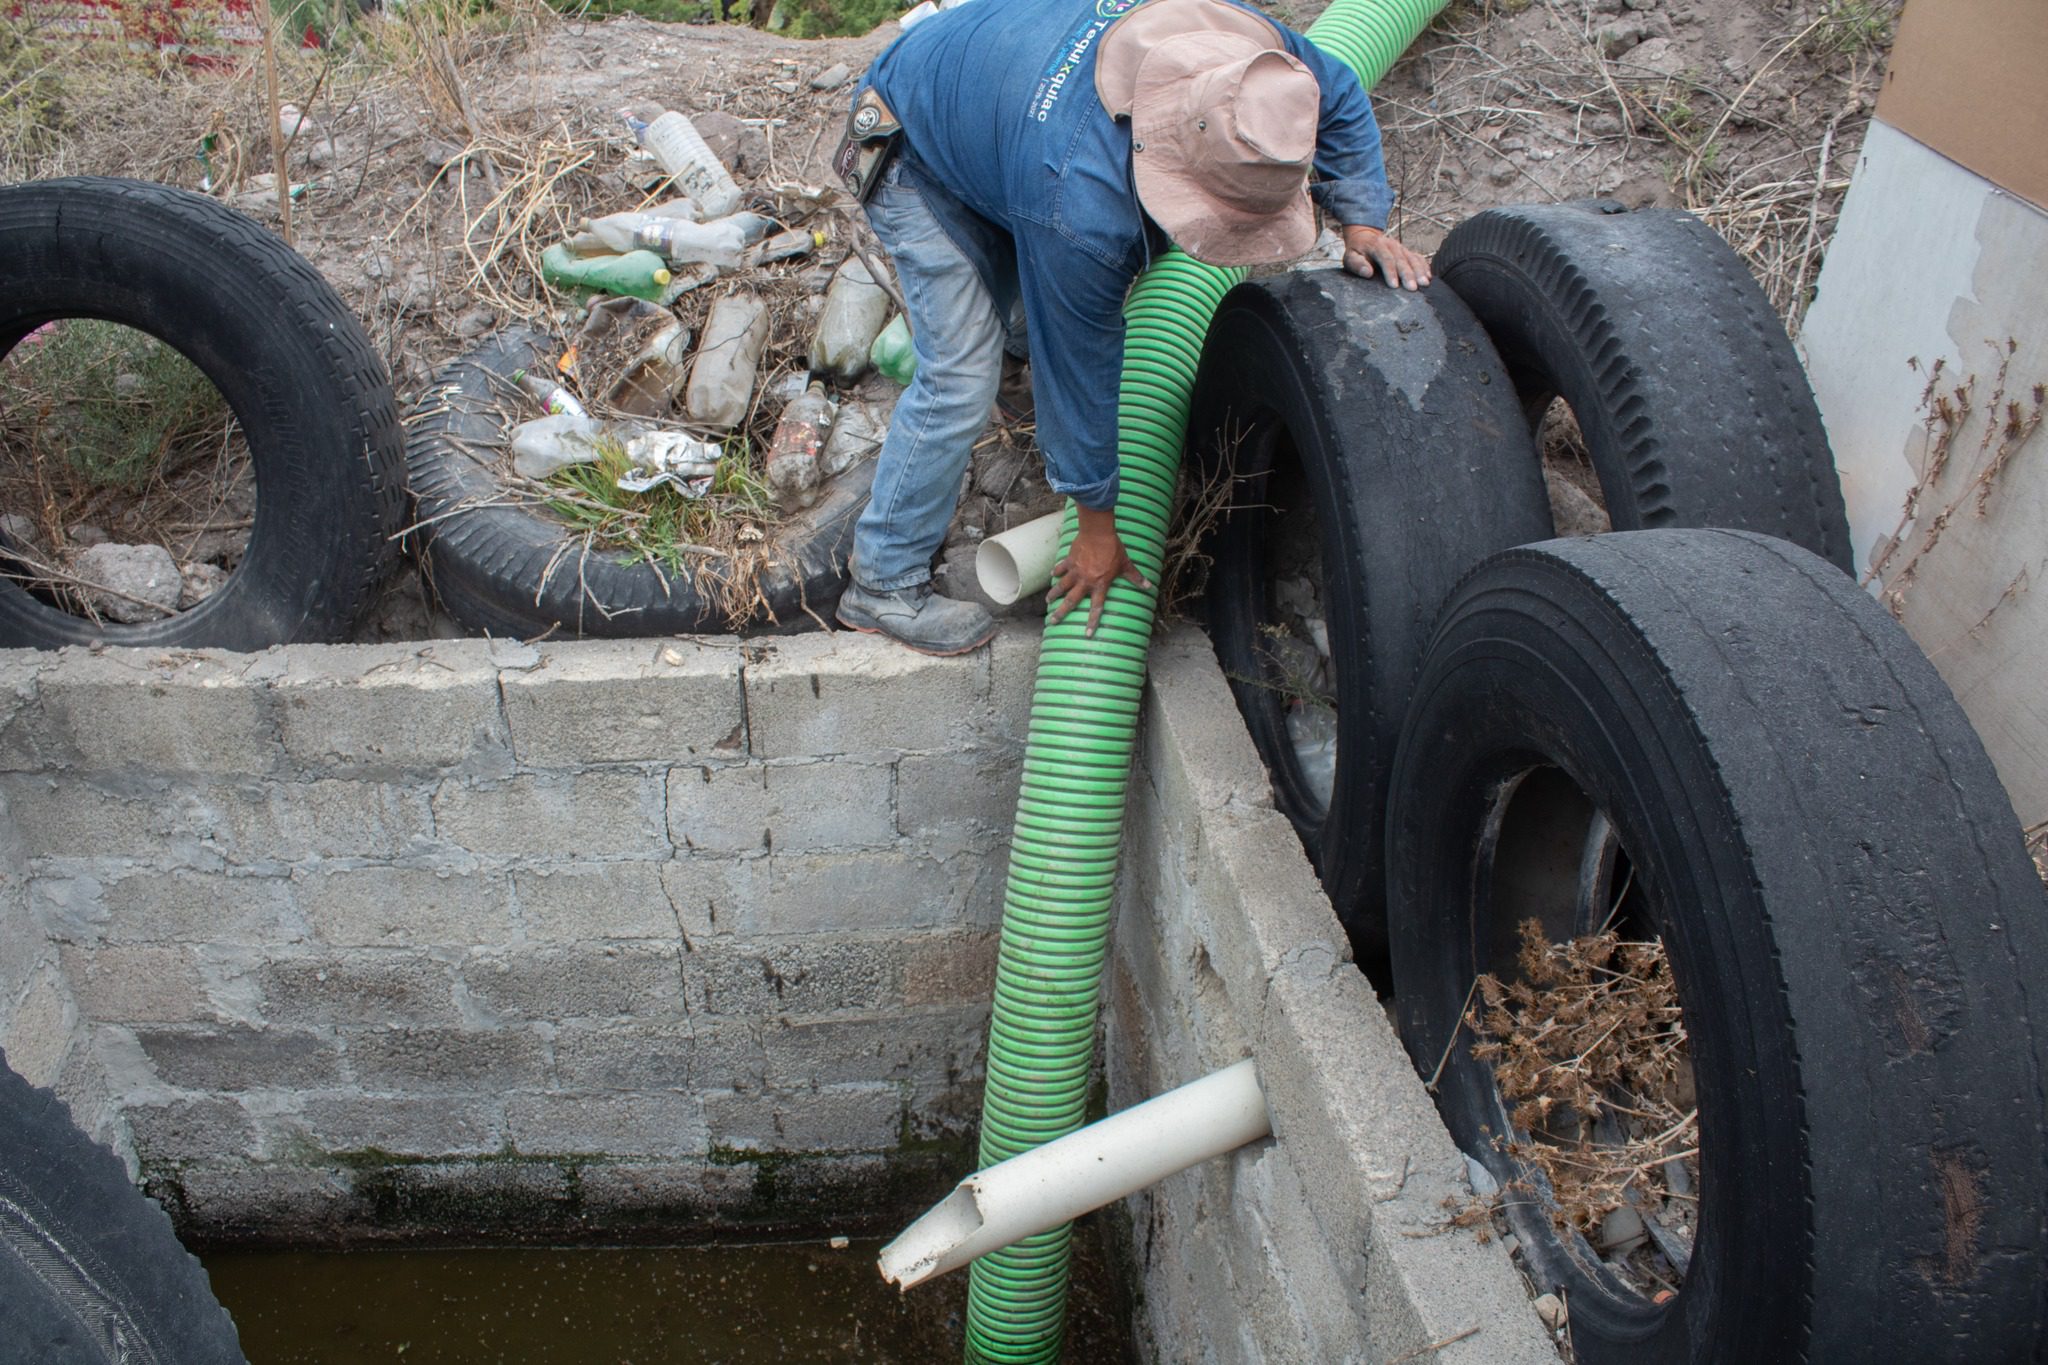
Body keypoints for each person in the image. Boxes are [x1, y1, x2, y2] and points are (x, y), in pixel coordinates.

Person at [833, 0, 1431, 655]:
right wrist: (1096, 528)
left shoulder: (1240, 53)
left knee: (1052, 296)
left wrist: (1363, 220)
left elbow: (1338, 89)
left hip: (997, 108)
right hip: (912, 139)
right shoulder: (1079, 210)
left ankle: (1014, 336)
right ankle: (883, 580)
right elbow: (1080, 369)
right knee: (961, 375)